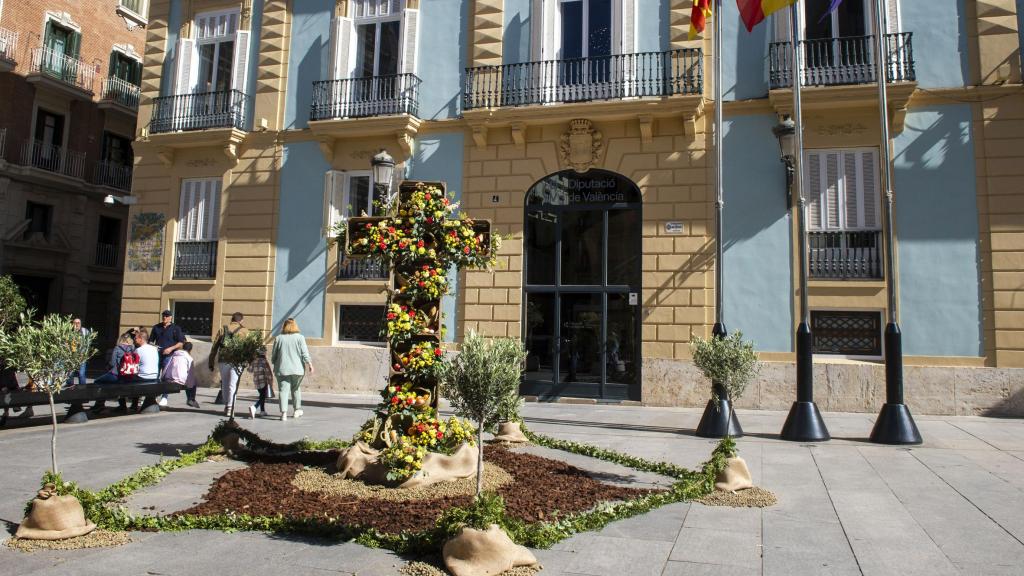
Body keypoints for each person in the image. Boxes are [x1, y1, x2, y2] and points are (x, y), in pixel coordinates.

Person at [271, 318, 313, 421]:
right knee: (296, 389)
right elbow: (304, 353)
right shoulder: (300, 338)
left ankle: (283, 414)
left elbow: (274, 355)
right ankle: (296, 410)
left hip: (282, 369)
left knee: (283, 391)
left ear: (284, 326)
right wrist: (310, 364)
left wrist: (274, 363)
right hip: (297, 369)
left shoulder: (279, 338)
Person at [209, 312, 248, 417]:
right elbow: (248, 347)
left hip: (223, 360)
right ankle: (231, 407)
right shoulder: (245, 331)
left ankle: (227, 405)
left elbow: (215, 346)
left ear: (232, 319)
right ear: (241, 320)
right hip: (237, 361)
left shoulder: (223, 329)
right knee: (233, 384)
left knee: (225, 384)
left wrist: (211, 361)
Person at [91, 330, 138, 414]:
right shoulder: (133, 348)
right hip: (129, 376)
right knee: (118, 385)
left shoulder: (117, 348)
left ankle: (99, 404)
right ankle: (122, 406)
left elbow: (112, 363)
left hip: (116, 375)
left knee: (98, 381)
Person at [150, 310, 185, 406]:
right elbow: (150, 341)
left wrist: (170, 349)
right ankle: (153, 395)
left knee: (166, 377)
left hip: (169, 355)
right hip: (157, 355)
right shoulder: (156, 327)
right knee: (155, 375)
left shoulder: (176, 328)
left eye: (167, 316)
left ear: (170, 317)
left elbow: (180, 342)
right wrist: (154, 346)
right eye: (163, 316)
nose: (165, 318)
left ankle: (164, 397)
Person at [162, 341, 199, 408]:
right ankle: (191, 399)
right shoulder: (189, 358)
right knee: (192, 381)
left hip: (168, 378)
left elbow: (167, 366)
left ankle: (190, 399)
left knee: (188, 380)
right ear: (190, 349)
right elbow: (191, 373)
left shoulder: (174, 355)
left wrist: (163, 377)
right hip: (179, 380)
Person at [248, 347, 272, 419]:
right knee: (263, 396)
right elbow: (268, 372)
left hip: (256, 381)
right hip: (263, 381)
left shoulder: (254, 361)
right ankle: (254, 407)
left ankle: (262, 411)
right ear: (264, 353)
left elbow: (250, 370)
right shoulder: (264, 361)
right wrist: (270, 381)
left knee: (262, 396)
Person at [65, 318, 90, 387]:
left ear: (81, 324)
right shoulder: (69, 332)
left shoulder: (85, 331)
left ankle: (83, 389)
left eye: (78, 323)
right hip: (71, 357)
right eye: (75, 323)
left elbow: (88, 344)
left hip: (82, 356)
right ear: (72, 324)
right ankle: (70, 389)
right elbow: (65, 343)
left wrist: (84, 354)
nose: (77, 324)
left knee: (81, 373)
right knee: (70, 374)